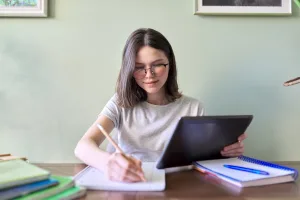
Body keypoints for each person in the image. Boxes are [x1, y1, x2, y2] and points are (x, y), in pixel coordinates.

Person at [74, 28, 247, 183]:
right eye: (139, 67)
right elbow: (82, 147)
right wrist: (107, 163)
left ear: (170, 64)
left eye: (157, 65)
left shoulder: (193, 108)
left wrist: (225, 152)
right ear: (129, 70)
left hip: (180, 186)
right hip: (133, 184)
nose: (149, 74)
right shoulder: (120, 102)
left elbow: (202, 161)